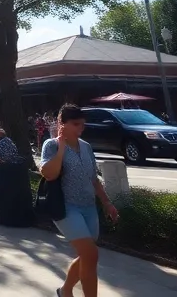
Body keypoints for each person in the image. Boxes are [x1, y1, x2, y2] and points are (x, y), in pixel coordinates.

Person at [40, 104, 119, 297]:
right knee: (91, 254)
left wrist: (107, 203)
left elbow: (93, 179)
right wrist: (60, 149)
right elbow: (49, 174)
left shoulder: (86, 147)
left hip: (89, 207)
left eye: (82, 124)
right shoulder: (50, 145)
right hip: (67, 208)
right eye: (75, 124)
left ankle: (65, 290)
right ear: (61, 123)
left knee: (87, 256)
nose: (80, 128)